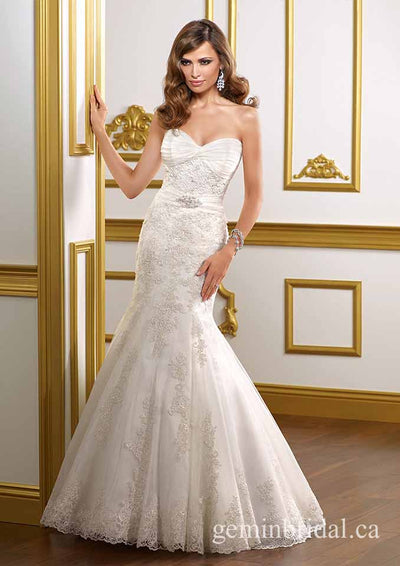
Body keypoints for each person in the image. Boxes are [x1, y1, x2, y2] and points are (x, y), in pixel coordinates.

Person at [40, 19, 326, 554]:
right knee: (148, 342)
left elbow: (255, 197)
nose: (194, 72)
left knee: (195, 343)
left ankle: (204, 488)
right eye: (187, 62)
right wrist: (100, 133)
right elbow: (132, 186)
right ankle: (135, 495)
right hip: (160, 238)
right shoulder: (165, 115)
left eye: (204, 61)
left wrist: (229, 248)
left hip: (204, 241)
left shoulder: (245, 118)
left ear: (222, 64)